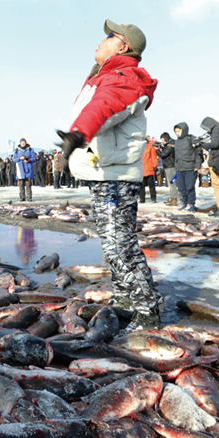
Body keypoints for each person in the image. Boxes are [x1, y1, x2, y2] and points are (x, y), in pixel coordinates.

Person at [56, 19, 159, 330]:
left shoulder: (123, 77)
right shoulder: (108, 75)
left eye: (109, 37)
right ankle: (127, 299)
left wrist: (77, 136)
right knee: (112, 243)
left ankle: (146, 313)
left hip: (116, 179)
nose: (100, 42)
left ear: (123, 46)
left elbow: (104, 107)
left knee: (121, 244)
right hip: (107, 176)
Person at [173, 123, 203, 212]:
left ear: (184, 130)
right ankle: (184, 203)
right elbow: (176, 155)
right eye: (176, 132)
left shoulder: (192, 139)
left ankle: (191, 204)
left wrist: (197, 165)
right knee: (181, 188)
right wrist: (176, 167)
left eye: (179, 131)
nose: (177, 133)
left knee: (189, 187)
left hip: (190, 167)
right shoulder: (176, 141)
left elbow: (198, 152)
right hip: (180, 168)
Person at [157, 132, 177, 205]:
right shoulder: (170, 144)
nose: (162, 141)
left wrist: (157, 150)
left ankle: (174, 198)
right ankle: (172, 197)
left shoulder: (170, 145)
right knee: (170, 183)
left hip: (171, 166)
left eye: (162, 139)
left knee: (172, 183)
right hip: (169, 165)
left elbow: (163, 154)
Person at [139, 136, 157, 203]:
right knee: (141, 185)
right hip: (141, 167)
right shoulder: (139, 146)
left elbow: (153, 156)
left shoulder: (150, 146)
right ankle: (142, 199)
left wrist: (155, 165)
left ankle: (153, 198)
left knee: (151, 184)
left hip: (149, 167)